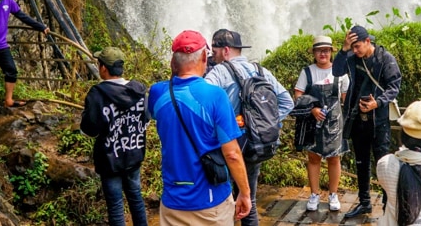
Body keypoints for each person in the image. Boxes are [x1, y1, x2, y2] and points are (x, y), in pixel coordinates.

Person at [149, 30, 252, 225]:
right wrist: (245, 194)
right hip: (211, 203)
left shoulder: (157, 92)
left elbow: (163, 116)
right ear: (205, 56)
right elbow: (232, 154)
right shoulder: (215, 96)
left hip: (172, 203)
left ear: (173, 60)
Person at [205, 28, 294, 226]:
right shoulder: (261, 70)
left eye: (215, 50)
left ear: (226, 50)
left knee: (226, 202)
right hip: (256, 144)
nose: (213, 55)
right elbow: (288, 101)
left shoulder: (220, 71)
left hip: (230, 145)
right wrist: (267, 123)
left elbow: (203, 98)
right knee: (248, 200)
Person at [332, 25, 402, 218]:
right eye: (352, 47)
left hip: (378, 121)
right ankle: (364, 203)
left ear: (368, 41)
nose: (355, 51)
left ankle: (389, 206)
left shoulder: (385, 59)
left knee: (384, 164)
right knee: (361, 162)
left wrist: (377, 103)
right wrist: (344, 49)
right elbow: (337, 71)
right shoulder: (352, 57)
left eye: (357, 46)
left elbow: (394, 86)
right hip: (357, 119)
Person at [80, 47, 149, 226]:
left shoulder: (98, 94)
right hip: (134, 155)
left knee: (116, 206)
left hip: (109, 160)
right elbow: (146, 122)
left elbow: (89, 131)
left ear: (103, 68)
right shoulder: (139, 91)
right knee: (136, 199)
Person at [294, 35, 350, 212]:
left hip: (334, 122)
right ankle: (315, 194)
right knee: (313, 157)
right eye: (319, 51)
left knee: (334, 157)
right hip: (313, 122)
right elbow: (298, 94)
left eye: (326, 50)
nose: (323, 54)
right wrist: (312, 109)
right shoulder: (307, 72)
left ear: (331, 52)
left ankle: (333, 194)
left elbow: (346, 98)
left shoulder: (340, 72)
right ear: (314, 53)